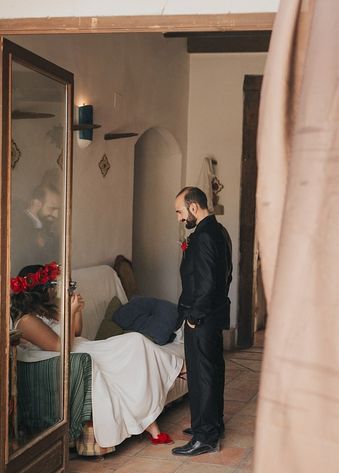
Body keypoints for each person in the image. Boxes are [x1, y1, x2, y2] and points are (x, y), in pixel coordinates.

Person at [10, 263, 180, 447]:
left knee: (136, 341)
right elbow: (58, 345)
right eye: (52, 286)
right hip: (69, 355)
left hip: (81, 346)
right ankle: (173, 373)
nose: (54, 289)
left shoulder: (46, 311)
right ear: (39, 289)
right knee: (134, 343)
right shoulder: (26, 320)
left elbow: (75, 332)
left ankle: (151, 416)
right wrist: (71, 311)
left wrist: (76, 311)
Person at [171, 186, 232, 456]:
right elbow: (225, 277)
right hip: (214, 314)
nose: (179, 218)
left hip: (202, 317)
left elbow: (207, 283)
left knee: (201, 376)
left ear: (194, 207)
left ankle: (204, 437)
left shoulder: (205, 237)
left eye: (180, 212)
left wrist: (194, 316)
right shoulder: (219, 231)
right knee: (212, 371)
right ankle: (211, 424)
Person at [11, 183, 61, 274]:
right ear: (37, 204)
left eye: (58, 210)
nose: (56, 215)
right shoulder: (19, 226)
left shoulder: (50, 230)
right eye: (52, 209)